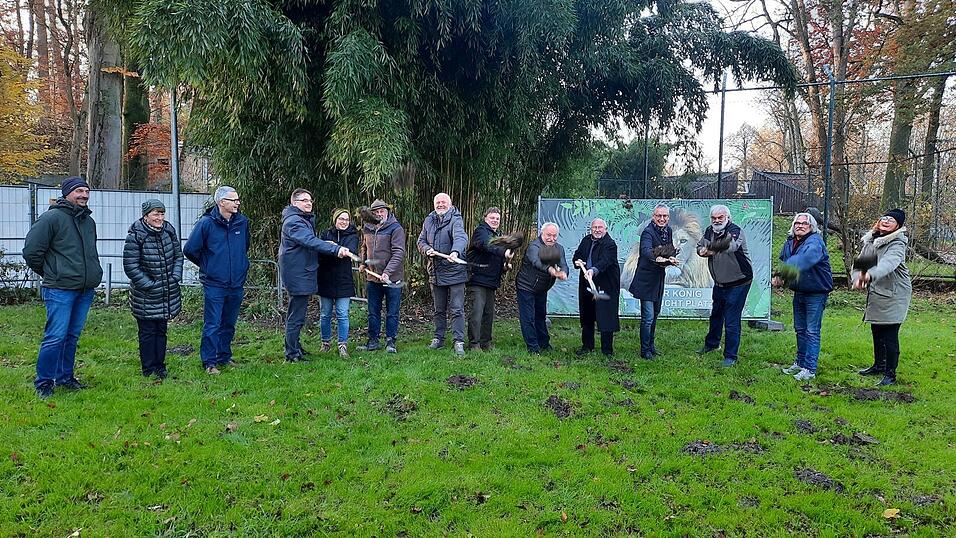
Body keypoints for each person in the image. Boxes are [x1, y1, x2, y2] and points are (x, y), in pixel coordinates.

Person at [23, 176, 103, 397]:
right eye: (79, 191)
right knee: (55, 336)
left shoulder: (88, 222)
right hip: (59, 289)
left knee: (71, 336)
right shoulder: (51, 218)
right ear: (67, 193)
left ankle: (65, 377)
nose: (84, 195)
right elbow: (31, 252)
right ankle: (44, 382)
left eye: (86, 191)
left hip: (84, 289)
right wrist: (52, 273)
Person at [278, 190, 351, 363]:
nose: (309, 203)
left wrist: (327, 243)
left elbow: (309, 240)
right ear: (294, 202)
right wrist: (335, 249)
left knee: (297, 314)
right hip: (298, 273)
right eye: (304, 200)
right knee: (296, 315)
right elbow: (309, 241)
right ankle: (292, 354)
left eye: (310, 200)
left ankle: (295, 346)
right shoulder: (294, 222)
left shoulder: (302, 219)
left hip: (302, 271)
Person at [183, 186, 250, 375]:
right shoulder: (206, 224)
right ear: (222, 202)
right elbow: (190, 249)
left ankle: (224, 356)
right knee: (213, 324)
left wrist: (240, 266)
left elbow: (245, 247)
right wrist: (208, 265)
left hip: (236, 282)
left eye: (237, 199)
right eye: (233, 200)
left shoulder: (242, 222)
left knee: (229, 322)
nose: (237, 203)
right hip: (214, 284)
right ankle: (209, 362)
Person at [123, 199, 184, 380]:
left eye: (162, 213)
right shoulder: (136, 235)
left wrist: (175, 277)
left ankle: (160, 366)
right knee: (148, 332)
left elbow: (178, 256)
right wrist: (149, 285)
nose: (160, 217)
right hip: (146, 295)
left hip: (167, 291)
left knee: (161, 331)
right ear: (146, 215)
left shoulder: (169, 231)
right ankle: (149, 368)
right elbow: (131, 266)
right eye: (156, 214)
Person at [851, 208, 912, 386]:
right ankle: (879, 365)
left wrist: (870, 275)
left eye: (891, 220)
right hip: (878, 292)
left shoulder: (898, 243)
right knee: (877, 330)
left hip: (895, 293)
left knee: (889, 335)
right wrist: (858, 279)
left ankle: (890, 374)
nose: (885, 221)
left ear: (898, 226)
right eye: (883, 218)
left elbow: (889, 264)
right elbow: (861, 264)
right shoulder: (871, 241)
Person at [775, 212, 833, 382]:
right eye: (797, 223)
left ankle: (809, 369)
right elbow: (783, 259)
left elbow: (804, 259)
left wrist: (783, 275)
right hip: (799, 290)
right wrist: (782, 274)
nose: (799, 226)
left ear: (811, 227)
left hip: (816, 292)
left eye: (804, 224)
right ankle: (800, 363)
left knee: (812, 331)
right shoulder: (790, 241)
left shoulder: (815, 242)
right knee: (800, 329)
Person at [696, 205, 753, 367]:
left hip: (739, 281)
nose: (717, 221)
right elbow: (700, 246)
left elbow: (731, 246)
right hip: (720, 282)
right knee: (716, 314)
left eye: (720, 217)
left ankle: (730, 356)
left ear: (727, 217)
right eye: (714, 218)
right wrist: (701, 251)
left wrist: (711, 250)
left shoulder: (735, 231)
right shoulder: (709, 231)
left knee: (731, 320)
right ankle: (712, 344)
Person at [418, 192, 470, 356]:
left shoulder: (456, 219)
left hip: (455, 272)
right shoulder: (429, 220)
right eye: (437, 202)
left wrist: (455, 252)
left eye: (443, 202)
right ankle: (438, 338)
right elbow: (421, 241)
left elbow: (461, 237)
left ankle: (458, 341)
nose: (440, 204)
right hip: (436, 272)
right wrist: (427, 250)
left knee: (456, 309)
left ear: (450, 203)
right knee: (438, 310)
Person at [628, 204, 679, 360]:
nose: (662, 219)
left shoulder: (668, 231)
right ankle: (645, 350)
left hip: (658, 279)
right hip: (646, 280)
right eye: (659, 216)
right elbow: (646, 251)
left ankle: (651, 345)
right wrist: (658, 258)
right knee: (648, 317)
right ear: (653, 216)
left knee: (655, 314)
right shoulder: (648, 232)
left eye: (665, 216)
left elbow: (668, 250)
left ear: (668, 218)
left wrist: (671, 258)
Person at [357, 199, 406, 353]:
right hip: (373, 278)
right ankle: (373, 341)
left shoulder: (396, 228)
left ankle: (390, 342)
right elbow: (364, 247)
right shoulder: (368, 228)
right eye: (376, 212)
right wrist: (363, 262)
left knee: (392, 312)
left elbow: (399, 253)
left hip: (392, 278)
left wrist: (387, 272)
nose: (379, 214)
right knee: (373, 311)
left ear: (387, 212)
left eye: (381, 211)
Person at [516, 222, 569, 354]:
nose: (551, 238)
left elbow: (563, 264)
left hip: (542, 288)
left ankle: (544, 343)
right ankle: (533, 347)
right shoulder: (534, 246)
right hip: (526, 286)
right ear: (542, 233)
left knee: (541, 315)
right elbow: (536, 262)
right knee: (528, 317)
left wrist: (564, 272)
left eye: (554, 235)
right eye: (548, 235)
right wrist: (550, 269)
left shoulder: (559, 248)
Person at [464, 207, 513, 351]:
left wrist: (505, 267)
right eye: (492, 218)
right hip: (477, 279)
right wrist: (504, 251)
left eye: (497, 219)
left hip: (491, 281)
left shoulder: (497, 235)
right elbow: (487, 245)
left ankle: (486, 343)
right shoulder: (481, 232)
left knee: (488, 314)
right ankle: (474, 344)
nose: (495, 220)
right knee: (476, 313)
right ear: (485, 219)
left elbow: (496, 258)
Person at [572, 218, 621, 357]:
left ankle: (607, 350)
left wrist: (593, 270)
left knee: (606, 316)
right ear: (591, 229)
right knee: (587, 315)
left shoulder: (610, 244)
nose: (597, 230)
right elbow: (578, 254)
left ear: (605, 229)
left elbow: (605, 261)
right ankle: (587, 346)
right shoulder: (586, 240)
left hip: (605, 285)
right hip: (587, 284)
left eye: (600, 227)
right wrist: (577, 261)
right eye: (595, 227)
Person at [317, 208, 360, 358]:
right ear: (335, 220)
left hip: (343, 281)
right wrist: (330, 247)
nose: (344, 222)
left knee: (342, 314)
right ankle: (325, 343)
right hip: (326, 279)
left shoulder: (352, 236)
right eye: (341, 219)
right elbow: (320, 253)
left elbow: (351, 250)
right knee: (325, 314)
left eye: (346, 219)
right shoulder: (325, 234)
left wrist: (332, 247)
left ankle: (343, 345)